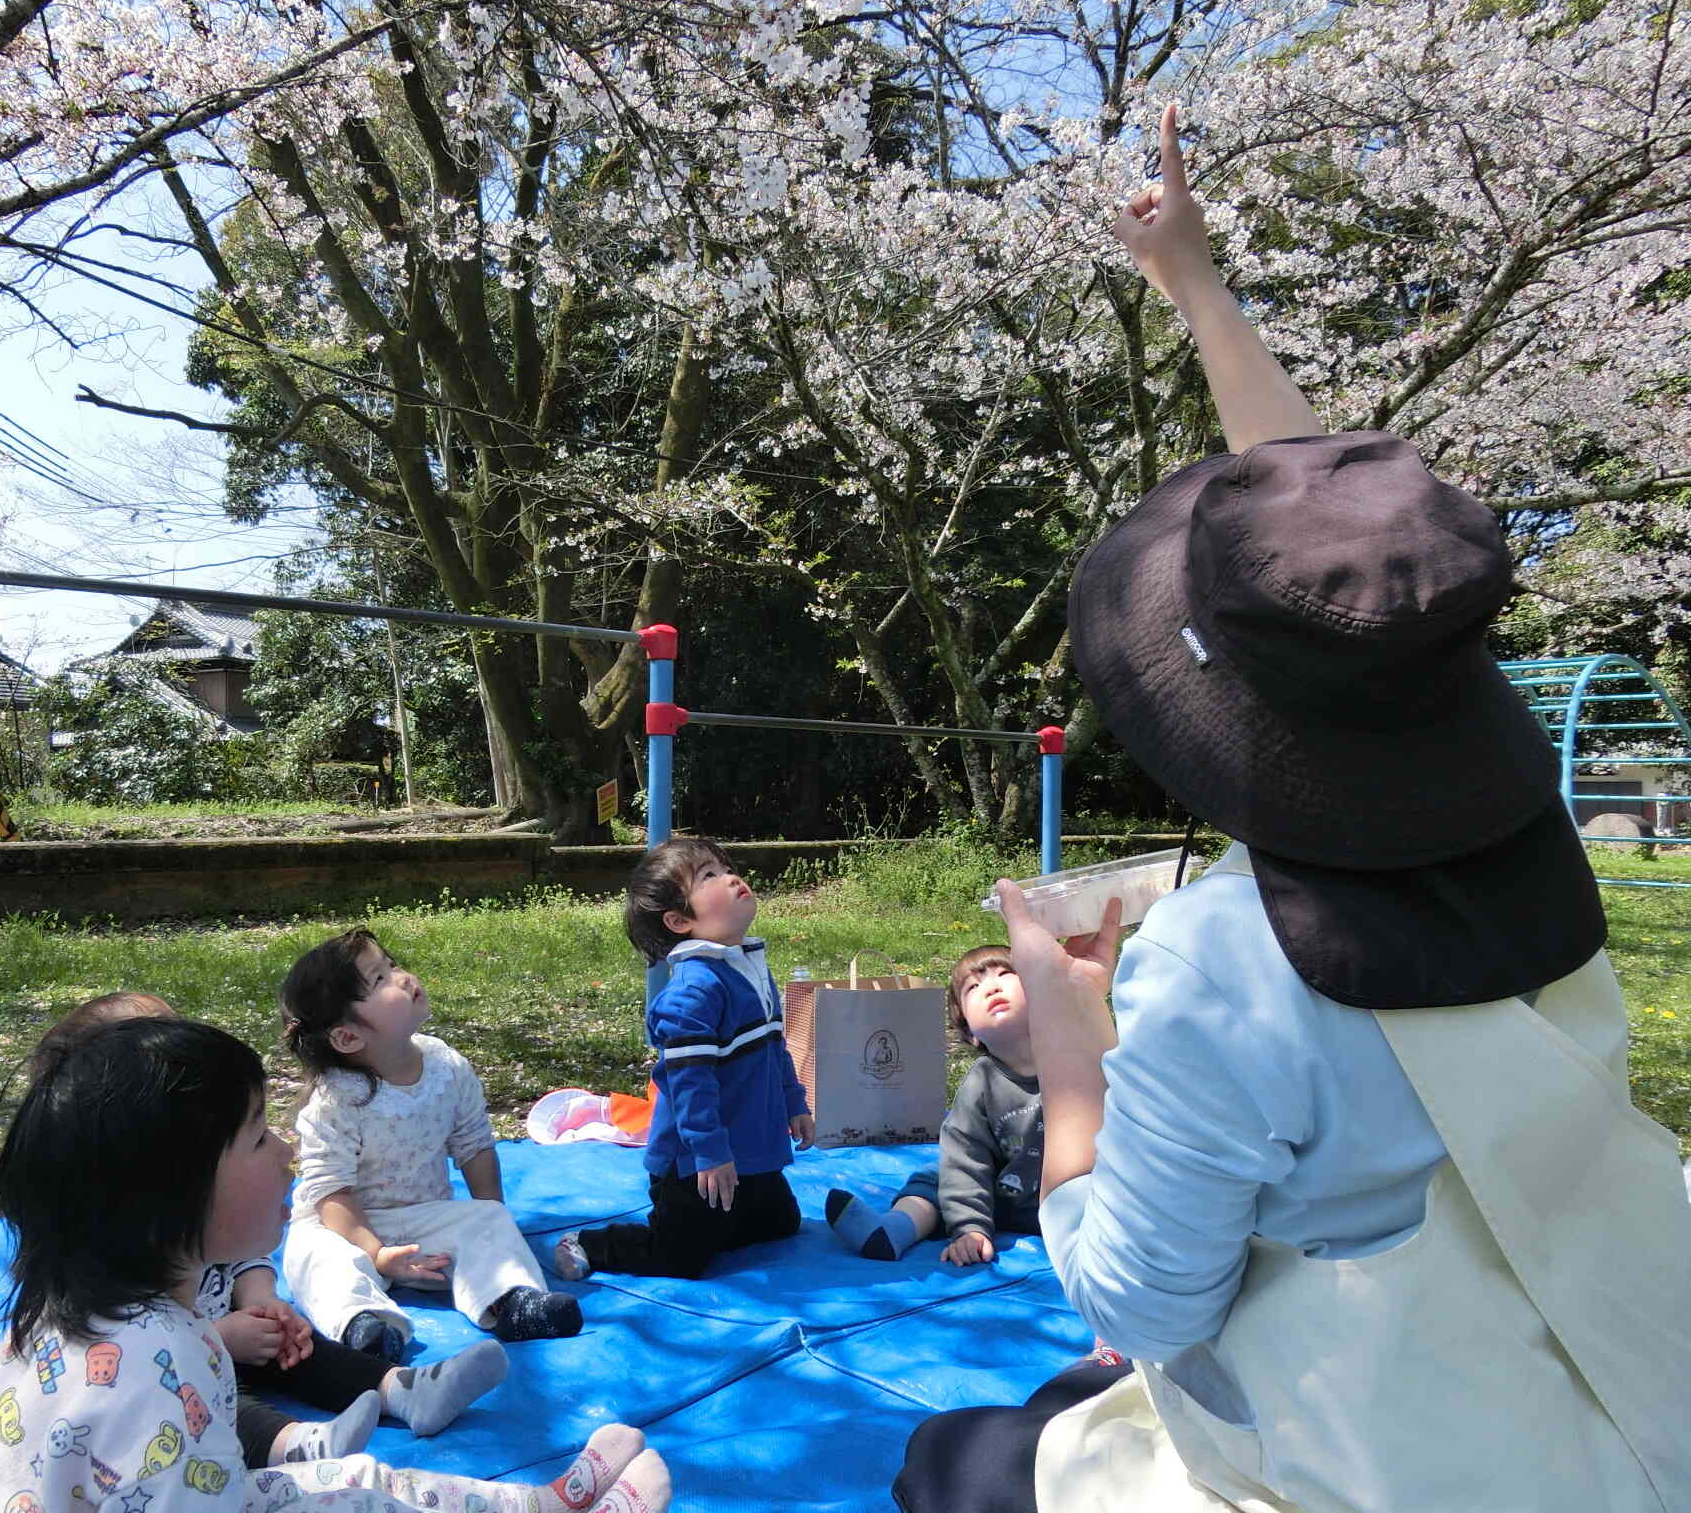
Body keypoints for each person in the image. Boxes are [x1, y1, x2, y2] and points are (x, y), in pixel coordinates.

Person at [900, 103, 1691, 1513]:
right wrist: (1196, 284)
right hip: (1622, 1376)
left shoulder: (1229, 964)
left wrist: (1074, 1052)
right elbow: (1348, 575)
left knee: (953, 1457)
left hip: (1397, 1456)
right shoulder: (1530, 848)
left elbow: (1143, 1305)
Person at [0, 1014, 670, 1513]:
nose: (289, 1153)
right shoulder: (160, 1359)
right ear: (171, 1191)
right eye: (258, 1136)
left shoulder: (67, 1308)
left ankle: (536, 1507)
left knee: (357, 1481)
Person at [27, 993, 511, 1466]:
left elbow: (241, 1259)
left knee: (301, 1348)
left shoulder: (196, 1229)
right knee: (198, 1401)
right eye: (259, 1139)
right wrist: (217, 1339)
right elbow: (131, 1357)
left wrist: (263, 1301)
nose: (287, 1153)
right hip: (168, 1374)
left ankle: (403, 1389)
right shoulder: (101, 1276)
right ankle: (296, 1445)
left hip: (233, 1336)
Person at [277, 930, 583, 1354]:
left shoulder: (446, 1066)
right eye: (378, 980)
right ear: (348, 1037)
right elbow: (332, 1193)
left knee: (488, 1220)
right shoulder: (336, 1097)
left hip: (424, 1215)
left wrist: (491, 1213)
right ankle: (363, 1326)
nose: (400, 977)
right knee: (313, 1256)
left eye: (391, 964)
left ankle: (513, 1300)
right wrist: (378, 1255)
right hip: (346, 1222)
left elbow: (474, 1144)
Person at [553, 837, 815, 1281]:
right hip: (696, 1161)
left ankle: (714, 1226)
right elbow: (692, 1084)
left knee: (781, 1224)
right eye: (708, 876)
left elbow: (775, 1047)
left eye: (724, 866)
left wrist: (795, 1104)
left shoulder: (750, 965)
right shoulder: (694, 991)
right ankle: (592, 1244)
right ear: (679, 920)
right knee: (681, 1259)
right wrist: (710, 1152)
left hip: (751, 1150)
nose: (729, 876)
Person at [824, 944, 1048, 1263]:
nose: (992, 986)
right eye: (974, 986)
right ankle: (893, 1231)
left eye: (1006, 974)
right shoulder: (980, 1083)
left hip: (1076, 1205)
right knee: (937, 1179)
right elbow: (966, 1159)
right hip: (1003, 1201)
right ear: (970, 1031)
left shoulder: (1075, 1061)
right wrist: (970, 1228)